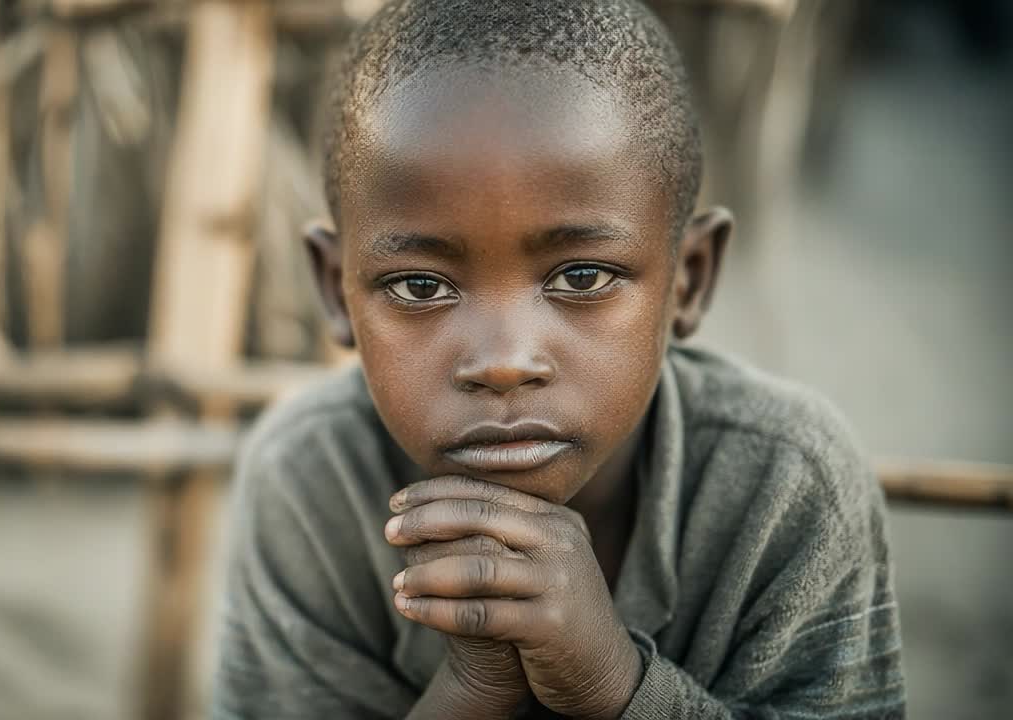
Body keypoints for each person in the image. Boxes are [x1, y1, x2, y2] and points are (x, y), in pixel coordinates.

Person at [210, 1, 904, 717]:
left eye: (581, 277)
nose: (505, 362)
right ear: (336, 289)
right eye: (421, 286)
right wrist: (474, 687)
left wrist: (612, 683)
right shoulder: (308, 484)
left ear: (689, 278)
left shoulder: (786, 489)